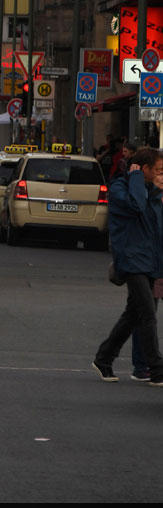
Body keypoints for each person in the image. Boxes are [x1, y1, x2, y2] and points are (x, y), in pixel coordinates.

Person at [93, 148, 163, 384]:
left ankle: (104, 358)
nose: (160, 175)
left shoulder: (151, 191)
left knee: (133, 315)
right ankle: (156, 369)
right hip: (132, 261)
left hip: (152, 262)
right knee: (148, 315)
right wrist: (135, 179)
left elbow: (156, 226)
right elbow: (136, 206)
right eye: (158, 170)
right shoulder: (120, 188)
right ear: (144, 169)